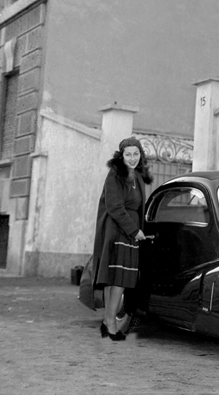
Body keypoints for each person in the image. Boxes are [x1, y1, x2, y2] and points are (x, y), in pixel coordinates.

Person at [92, 137, 153, 341]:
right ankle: (111, 323)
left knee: (116, 280)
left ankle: (107, 321)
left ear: (140, 155)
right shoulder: (115, 175)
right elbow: (115, 207)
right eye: (128, 154)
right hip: (118, 231)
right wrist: (135, 231)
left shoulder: (136, 175)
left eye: (136, 154)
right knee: (118, 280)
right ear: (121, 156)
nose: (132, 158)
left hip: (127, 230)